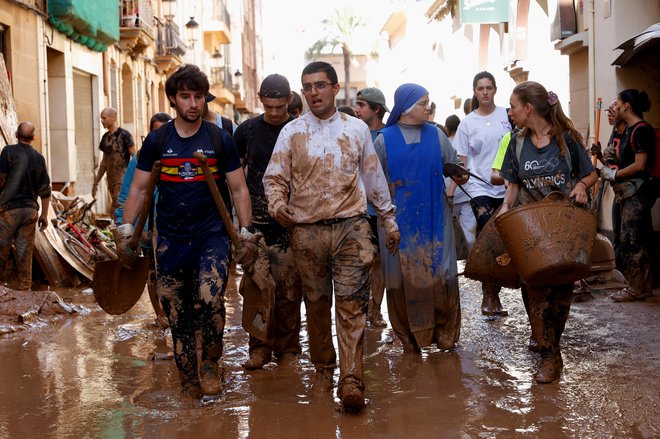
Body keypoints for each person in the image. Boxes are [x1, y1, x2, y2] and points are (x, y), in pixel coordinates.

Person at [263, 61, 400, 413]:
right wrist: (278, 205)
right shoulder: (292, 132)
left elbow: (373, 178)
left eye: (320, 85)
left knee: (353, 306)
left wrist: (388, 220)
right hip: (306, 233)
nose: (313, 92)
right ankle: (324, 367)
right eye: (307, 86)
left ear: (335, 88)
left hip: (351, 228)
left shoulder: (356, 130)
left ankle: (352, 379)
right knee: (318, 306)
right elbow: (274, 178)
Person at [119, 64, 254, 398]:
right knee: (175, 309)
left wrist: (247, 232)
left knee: (210, 299)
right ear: (173, 100)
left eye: (198, 97)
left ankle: (210, 363)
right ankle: (188, 377)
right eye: (185, 97)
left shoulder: (220, 140)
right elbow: (138, 188)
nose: (193, 103)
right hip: (169, 238)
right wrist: (125, 227)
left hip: (212, 236)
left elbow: (238, 189)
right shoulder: (158, 141)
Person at [499, 81, 597, 383]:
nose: (511, 112)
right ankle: (549, 355)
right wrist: (502, 215)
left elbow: (590, 173)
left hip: (564, 229)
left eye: (514, 106)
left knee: (561, 296)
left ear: (528, 108)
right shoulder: (516, 142)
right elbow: (512, 187)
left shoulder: (565, 139)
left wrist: (580, 186)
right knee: (536, 293)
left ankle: (552, 343)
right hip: (532, 233)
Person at [373, 83, 467, 353]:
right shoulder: (383, 140)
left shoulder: (437, 136)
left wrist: (458, 172)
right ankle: (408, 340)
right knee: (400, 280)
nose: (428, 107)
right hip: (397, 226)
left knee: (443, 274)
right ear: (405, 107)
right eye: (422, 102)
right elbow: (373, 186)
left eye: (428, 102)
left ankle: (446, 336)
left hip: (436, 219)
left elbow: (458, 170)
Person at [232, 73, 302, 370]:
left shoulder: (300, 130)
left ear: (289, 101)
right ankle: (259, 348)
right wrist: (241, 227)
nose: (274, 112)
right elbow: (234, 179)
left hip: (292, 226)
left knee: (289, 291)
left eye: (279, 106)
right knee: (256, 288)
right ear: (261, 100)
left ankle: (288, 350)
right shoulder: (246, 132)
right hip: (256, 226)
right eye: (269, 106)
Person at [453, 71, 511, 316]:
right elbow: (462, 161)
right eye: (480, 88)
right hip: (479, 187)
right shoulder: (467, 123)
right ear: (474, 92)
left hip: (508, 185)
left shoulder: (508, 116)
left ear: (495, 89)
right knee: (488, 235)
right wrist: (451, 188)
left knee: (510, 238)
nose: (485, 92)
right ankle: (490, 294)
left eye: (489, 87)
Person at [115, 112, 173, 329]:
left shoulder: (180, 156)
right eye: (156, 131)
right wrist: (126, 231)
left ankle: (176, 316)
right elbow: (127, 195)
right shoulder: (140, 160)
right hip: (148, 230)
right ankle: (160, 316)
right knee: (152, 275)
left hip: (175, 230)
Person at [598, 89, 654, 302]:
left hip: (638, 192)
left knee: (631, 240)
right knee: (641, 239)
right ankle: (643, 287)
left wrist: (614, 173)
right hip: (630, 192)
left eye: (617, 104)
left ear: (626, 106)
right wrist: (609, 163)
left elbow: (640, 165)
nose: (614, 108)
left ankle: (636, 288)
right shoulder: (629, 131)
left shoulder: (641, 130)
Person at [354, 87, 390, 328]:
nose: (356, 110)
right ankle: (359, 309)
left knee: (380, 263)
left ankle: (375, 310)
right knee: (359, 261)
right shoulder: (352, 133)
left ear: (376, 109)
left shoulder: (390, 136)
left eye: (362, 105)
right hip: (357, 209)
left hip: (384, 210)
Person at [0, 122, 51, 290]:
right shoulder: (39, 158)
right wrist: (44, 215)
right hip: (30, 211)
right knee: (24, 254)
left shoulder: (8, 151)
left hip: (9, 210)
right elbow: (45, 190)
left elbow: (1, 179)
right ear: (34, 138)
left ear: (16, 135)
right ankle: (24, 292)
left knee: (2, 250)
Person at [92, 108, 135, 219]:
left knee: (117, 202)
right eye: (101, 118)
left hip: (122, 176)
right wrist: (96, 182)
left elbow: (134, 156)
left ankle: (120, 228)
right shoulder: (105, 138)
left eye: (104, 118)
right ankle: (117, 230)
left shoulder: (125, 135)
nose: (102, 120)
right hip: (110, 178)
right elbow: (104, 162)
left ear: (113, 118)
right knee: (116, 203)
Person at [443, 114, 476, 251]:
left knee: (450, 235)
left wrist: (449, 193)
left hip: (449, 197)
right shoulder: (464, 144)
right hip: (467, 194)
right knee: (469, 235)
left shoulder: (444, 144)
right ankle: (470, 262)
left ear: (446, 128)